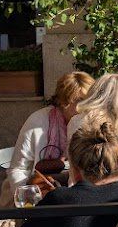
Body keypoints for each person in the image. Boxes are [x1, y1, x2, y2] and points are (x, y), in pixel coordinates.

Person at [5, 71, 94, 204]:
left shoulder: (92, 123)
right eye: (79, 100)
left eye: (89, 100)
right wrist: (29, 199)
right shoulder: (37, 122)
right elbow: (18, 169)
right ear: (64, 102)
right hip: (35, 198)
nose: (86, 107)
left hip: (76, 197)